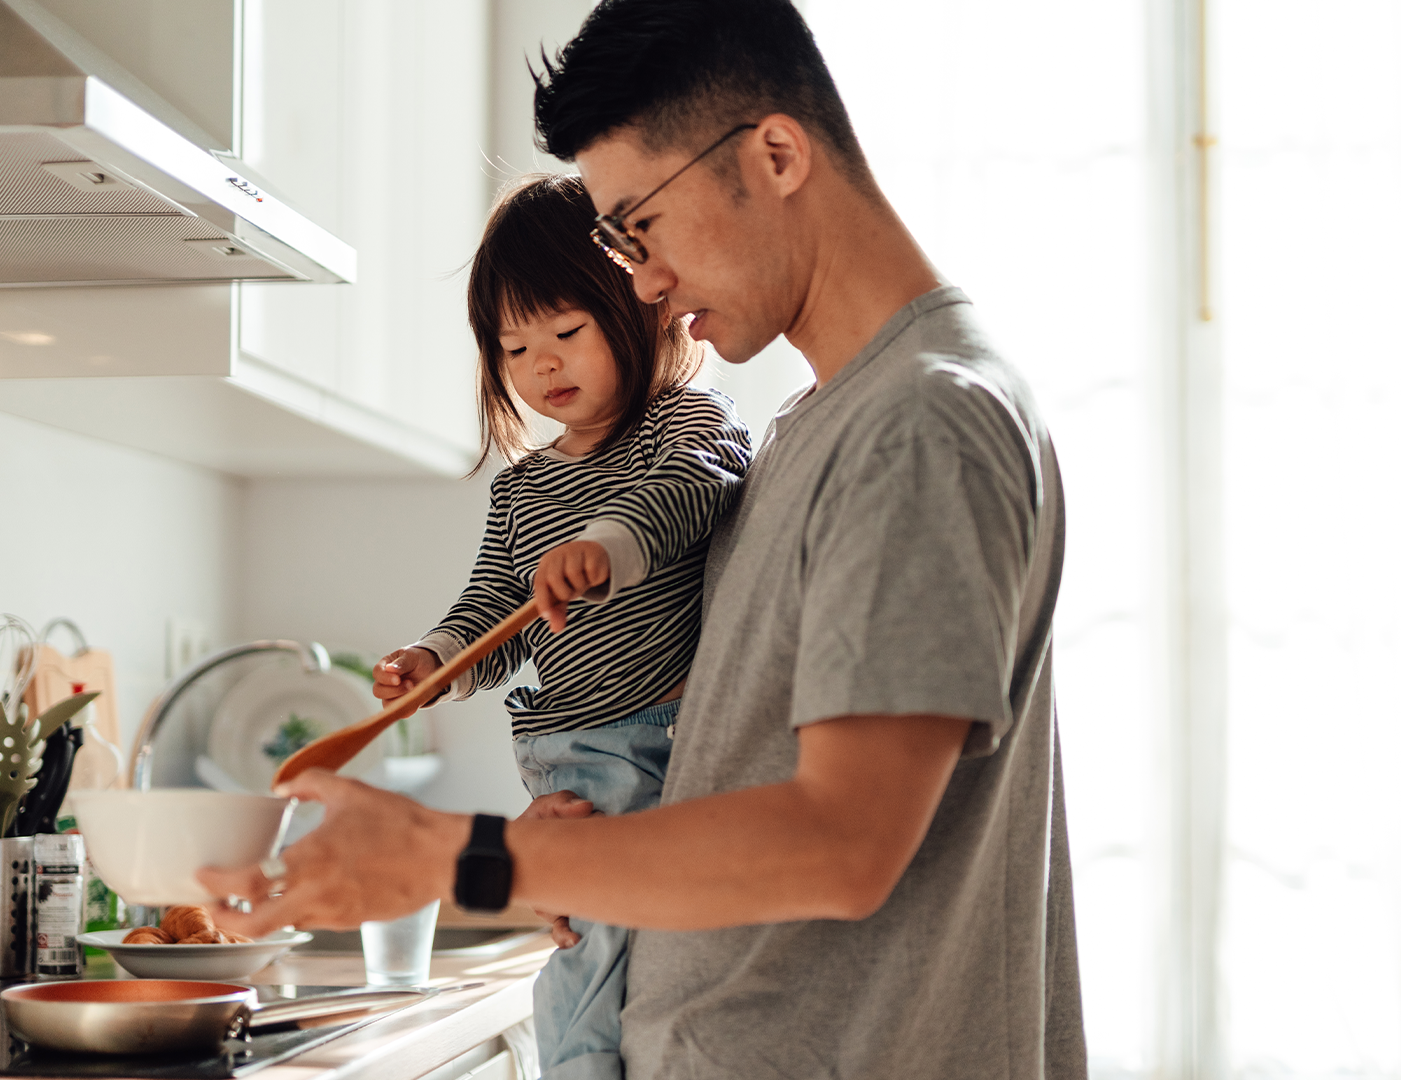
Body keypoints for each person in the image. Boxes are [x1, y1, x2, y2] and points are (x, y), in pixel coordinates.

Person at [204, 2, 1086, 1077]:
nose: (641, 279)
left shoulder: (918, 422)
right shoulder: (826, 424)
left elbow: (843, 845)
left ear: (773, 154)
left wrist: (470, 856)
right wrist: (581, 855)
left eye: (639, 226)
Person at [367, 172, 750, 1080]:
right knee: (587, 951)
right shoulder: (522, 488)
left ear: (641, 310)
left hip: (652, 740)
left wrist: (609, 546)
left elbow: (697, 484)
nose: (544, 366)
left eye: (567, 333)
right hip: (564, 757)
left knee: (592, 962)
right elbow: (488, 610)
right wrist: (435, 661)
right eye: (515, 348)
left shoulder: (681, 423)